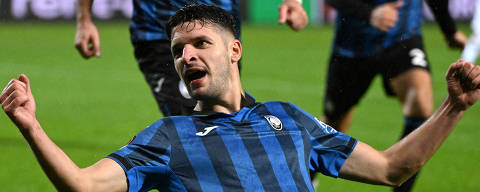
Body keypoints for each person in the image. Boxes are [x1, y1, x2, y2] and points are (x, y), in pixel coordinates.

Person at [2, 4, 479, 192]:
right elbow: (83, 186)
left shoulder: (292, 121)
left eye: (199, 45)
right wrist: (30, 125)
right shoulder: (167, 137)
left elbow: (394, 169)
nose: (185, 56)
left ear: (235, 50)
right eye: (177, 52)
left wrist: (453, 106)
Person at [322, 0, 467, 191]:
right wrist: (370, 14)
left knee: (421, 107)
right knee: (335, 125)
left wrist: (449, 30)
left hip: (403, 38)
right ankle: (309, 175)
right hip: (352, 46)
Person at [74, 0, 308, 116]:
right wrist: (84, 20)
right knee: (192, 122)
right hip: (159, 33)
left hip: (220, 32)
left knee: (224, 118)